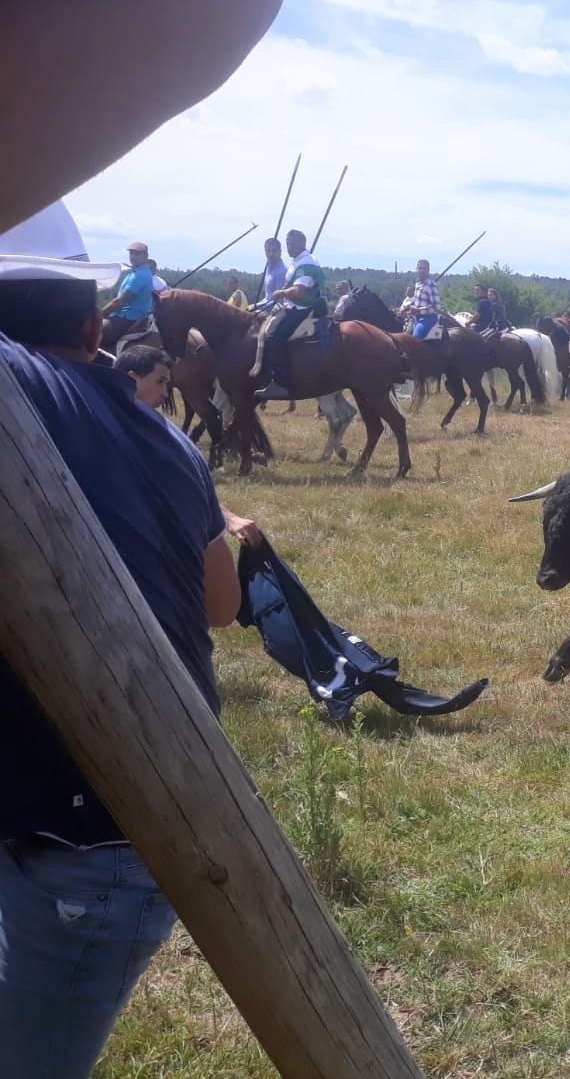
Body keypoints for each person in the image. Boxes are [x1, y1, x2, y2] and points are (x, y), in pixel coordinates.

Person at [0, 257, 264, 1078]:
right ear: (95, 330)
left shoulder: (20, 387)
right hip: (88, 819)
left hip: (82, 836)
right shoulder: (176, 444)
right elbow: (222, 608)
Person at [253, 228, 325, 400]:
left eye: (292, 244)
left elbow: (299, 291)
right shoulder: (297, 262)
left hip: (303, 308)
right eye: (287, 244)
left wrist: (282, 293)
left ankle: (281, 383)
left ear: (302, 243)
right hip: (294, 306)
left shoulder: (306, 263)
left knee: (274, 337)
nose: (289, 247)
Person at [98, 240, 156, 354]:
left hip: (128, 317)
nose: (133, 257)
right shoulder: (136, 272)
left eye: (137, 254)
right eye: (131, 254)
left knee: (93, 331)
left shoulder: (140, 275)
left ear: (146, 256)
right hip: (123, 315)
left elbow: (120, 301)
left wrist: (100, 313)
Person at [409, 258, 441, 340]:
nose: (422, 270)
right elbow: (415, 301)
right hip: (416, 317)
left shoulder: (431, 285)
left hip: (428, 319)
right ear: (417, 269)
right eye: (420, 268)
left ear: (428, 270)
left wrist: (419, 310)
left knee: (414, 340)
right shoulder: (417, 284)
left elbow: (436, 307)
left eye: (424, 268)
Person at [254, 236, 287, 310]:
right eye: (268, 251)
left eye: (274, 251)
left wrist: (257, 307)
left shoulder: (282, 271)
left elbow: (279, 301)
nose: (271, 254)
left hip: (276, 310)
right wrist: (256, 305)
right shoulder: (268, 269)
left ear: (280, 252)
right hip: (266, 306)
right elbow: (267, 298)